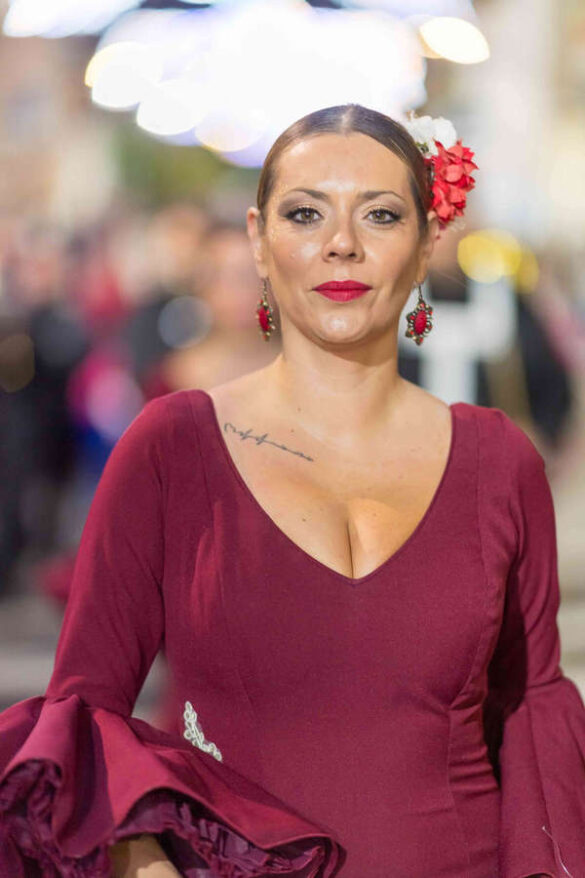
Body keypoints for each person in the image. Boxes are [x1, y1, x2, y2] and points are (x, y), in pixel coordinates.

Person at [0, 103, 583, 878]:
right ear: (257, 239)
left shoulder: (498, 463)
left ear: (424, 245)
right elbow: (86, 715)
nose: (341, 243)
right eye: (306, 214)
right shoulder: (172, 445)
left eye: (379, 215)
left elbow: (531, 717)